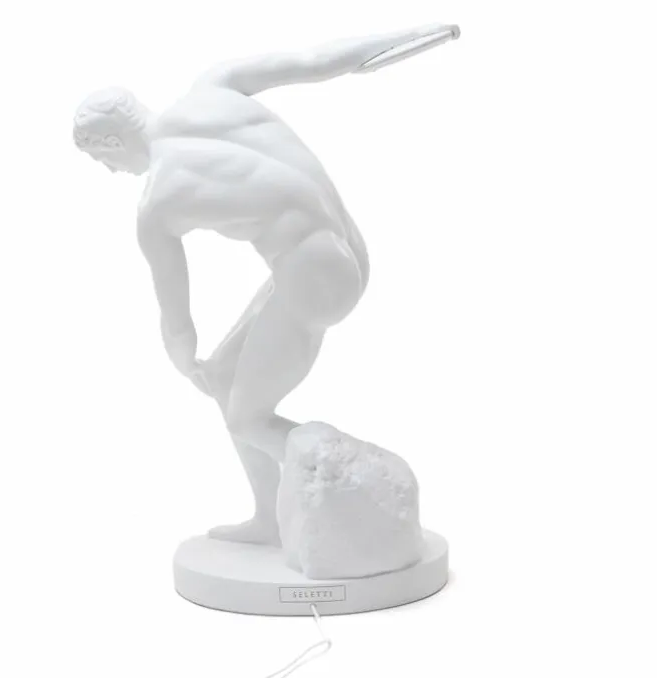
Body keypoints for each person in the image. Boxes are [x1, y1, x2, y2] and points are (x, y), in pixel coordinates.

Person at [73, 24, 459, 546]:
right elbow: (319, 58)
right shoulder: (213, 87)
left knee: (248, 419)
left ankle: (364, 495)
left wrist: (184, 360)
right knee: (225, 378)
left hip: (314, 279)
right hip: (344, 251)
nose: (109, 170)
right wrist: (417, 36)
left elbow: (177, 318)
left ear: (113, 141)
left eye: (102, 159)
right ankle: (269, 518)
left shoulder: (157, 204)